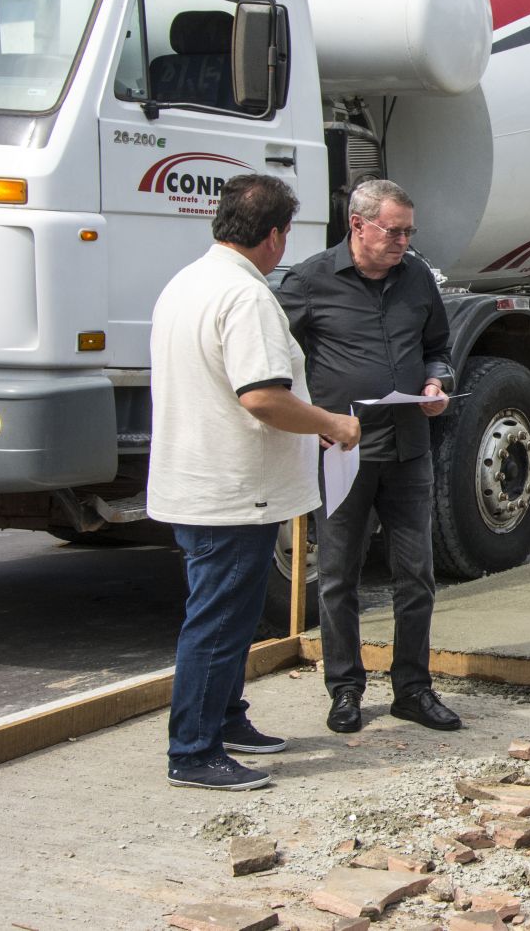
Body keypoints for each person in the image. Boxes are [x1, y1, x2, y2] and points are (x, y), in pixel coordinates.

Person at [149, 174, 361, 790]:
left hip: (197, 478)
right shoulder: (246, 297)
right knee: (217, 622)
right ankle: (193, 751)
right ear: (274, 235)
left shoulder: (187, 281)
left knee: (227, 617)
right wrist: (331, 424)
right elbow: (262, 397)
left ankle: (227, 717)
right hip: (234, 491)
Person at [276, 179, 460, 735]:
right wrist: (304, 421)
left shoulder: (417, 277)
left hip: (408, 451)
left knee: (416, 574)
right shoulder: (310, 281)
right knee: (338, 575)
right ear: (358, 226)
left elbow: (438, 350)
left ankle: (412, 688)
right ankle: (345, 689)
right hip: (343, 453)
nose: (403, 241)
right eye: (393, 231)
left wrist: (436, 384)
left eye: (409, 232)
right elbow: (271, 353)